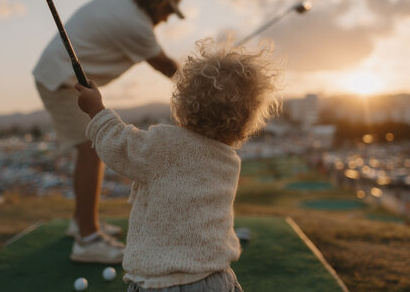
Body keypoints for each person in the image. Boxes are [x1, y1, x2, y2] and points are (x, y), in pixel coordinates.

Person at [74, 38, 280, 291]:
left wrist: (96, 110)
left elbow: (121, 146)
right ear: (247, 122)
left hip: (160, 282)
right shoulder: (228, 161)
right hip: (215, 279)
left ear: (182, 103)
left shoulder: (166, 146)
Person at [33, 0, 184, 263]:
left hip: (56, 74)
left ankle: (82, 222)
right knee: (91, 150)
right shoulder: (138, 26)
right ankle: (88, 240)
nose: (166, 21)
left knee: (89, 149)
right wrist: (206, 77)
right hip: (61, 80)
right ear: (160, 2)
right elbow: (167, 67)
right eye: (168, 13)